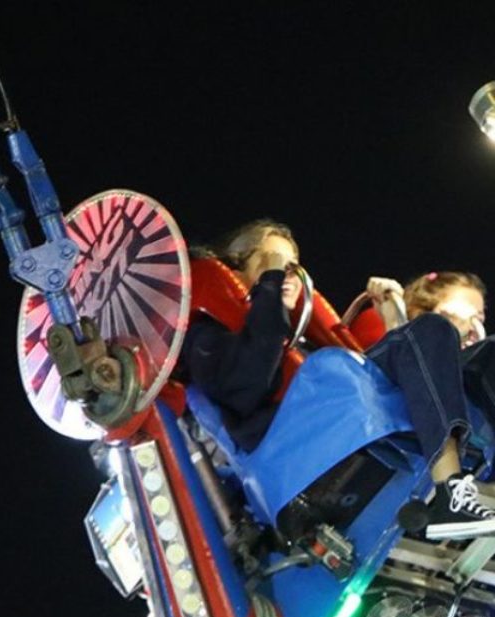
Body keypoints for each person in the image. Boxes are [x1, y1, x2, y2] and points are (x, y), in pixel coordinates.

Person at [181, 219, 495, 540]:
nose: (286, 274)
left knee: (485, 356)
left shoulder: (301, 340)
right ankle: (450, 492)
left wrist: (393, 317)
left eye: (292, 267)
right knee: (430, 329)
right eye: (272, 262)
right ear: (235, 269)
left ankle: (464, 487)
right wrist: (269, 290)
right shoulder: (208, 337)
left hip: (347, 418)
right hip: (300, 448)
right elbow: (246, 386)